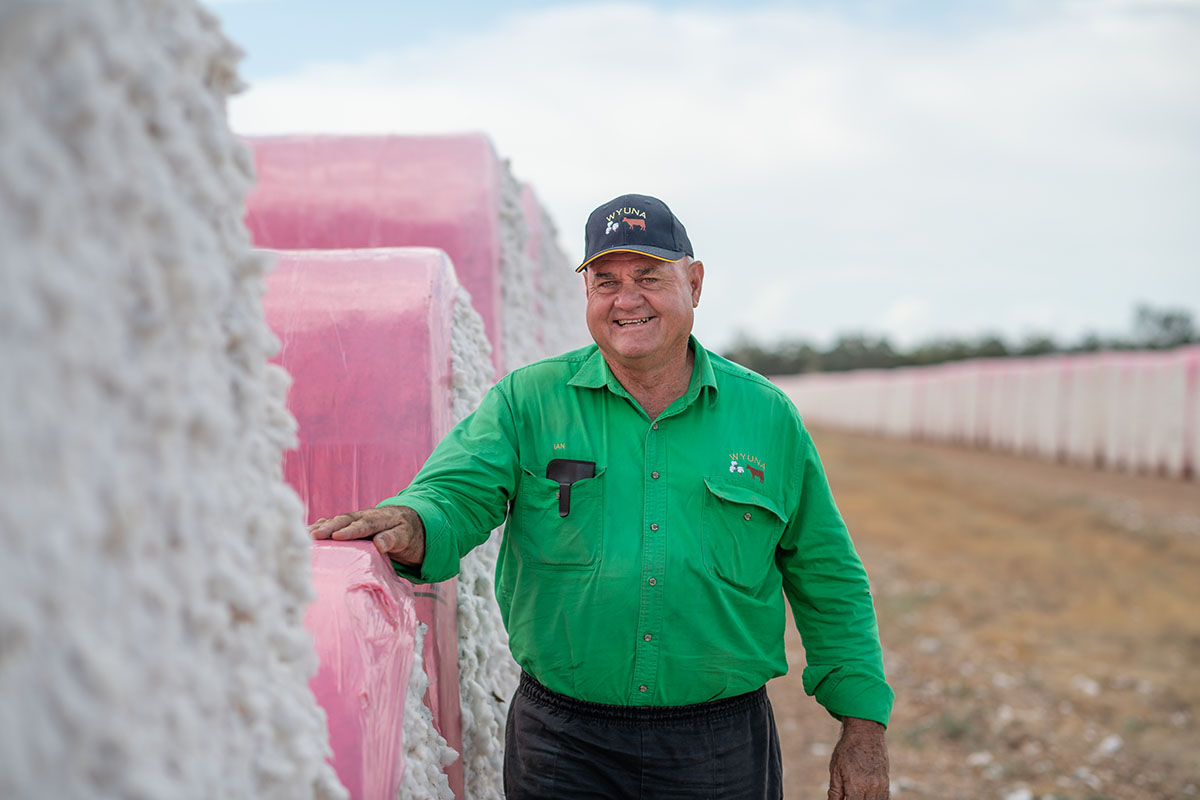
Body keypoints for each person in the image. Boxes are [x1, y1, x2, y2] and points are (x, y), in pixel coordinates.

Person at [310, 193, 893, 800]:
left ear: (694, 284)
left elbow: (827, 576)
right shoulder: (526, 401)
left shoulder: (766, 417)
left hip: (718, 748)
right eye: (605, 281)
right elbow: (455, 491)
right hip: (564, 744)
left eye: (649, 277)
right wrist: (412, 520)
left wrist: (864, 728)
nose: (627, 299)